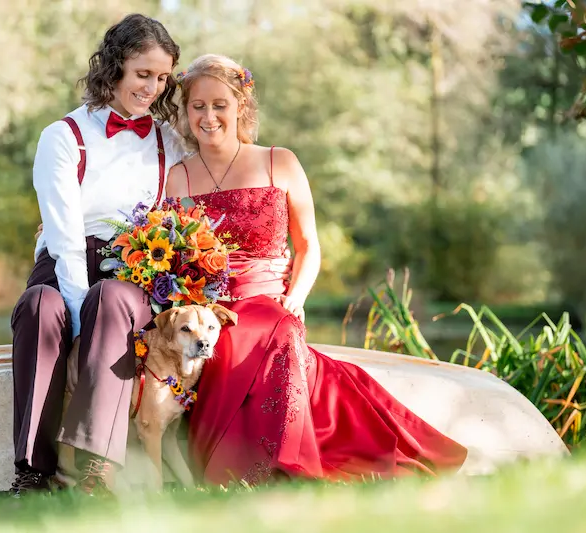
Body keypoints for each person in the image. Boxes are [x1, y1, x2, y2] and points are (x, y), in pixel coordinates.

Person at [165, 54, 468, 486]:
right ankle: (234, 466)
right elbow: (174, 256)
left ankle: (288, 465)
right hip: (209, 307)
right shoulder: (177, 178)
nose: (208, 116)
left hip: (269, 299)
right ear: (186, 110)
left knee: (277, 330)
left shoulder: (279, 162)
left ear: (240, 107)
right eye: (198, 106)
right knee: (220, 336)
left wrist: (296, 298)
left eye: (220, 105)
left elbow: (308, 247)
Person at [9, 14, 185, 496]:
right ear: (113, 68)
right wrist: (81, 321)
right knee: (38, 309)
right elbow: (63, 238)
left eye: (162, 77)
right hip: (64, 261)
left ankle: (95, 468)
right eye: (142, 73)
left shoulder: (168, 140)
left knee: (109, 297)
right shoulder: (61, 136)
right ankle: (31, 472)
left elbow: (215, 155)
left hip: (130, 268)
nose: (151, 88)